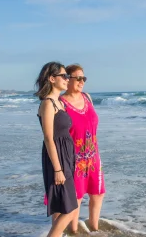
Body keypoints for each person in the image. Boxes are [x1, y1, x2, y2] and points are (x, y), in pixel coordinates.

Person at [60, 64, 105, 233]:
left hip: (93, 155)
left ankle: (94, 229)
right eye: (77, 78)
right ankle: (74, 231)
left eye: (83, 78)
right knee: (76, 197)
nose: (81, 81)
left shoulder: (87, 97)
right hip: (74, 158)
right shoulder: (60, 103)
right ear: (67, 79)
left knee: (98, 192)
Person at [35, 61, 78, 237]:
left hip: (66, 157)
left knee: (63, 207)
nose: (67, 79)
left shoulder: (59, 102)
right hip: (57, 159)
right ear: (52, 79)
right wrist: (58, 169)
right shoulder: (48, 104)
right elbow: (48, 138)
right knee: (70, 208)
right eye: (64, 76)